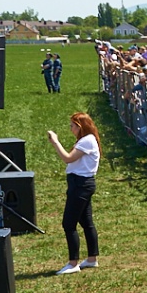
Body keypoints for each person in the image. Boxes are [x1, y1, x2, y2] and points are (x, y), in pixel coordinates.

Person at [48, 112, 103, 274]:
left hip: (81, 185)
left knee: (69, 223)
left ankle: (73, 263)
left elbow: (68, 158)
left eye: (72, 125)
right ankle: (92, 258)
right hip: (80, 184)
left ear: (80, 126)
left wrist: (55, 142)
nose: (70, 128)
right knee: (86, 222)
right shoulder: (87, 140)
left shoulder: (87, 141)